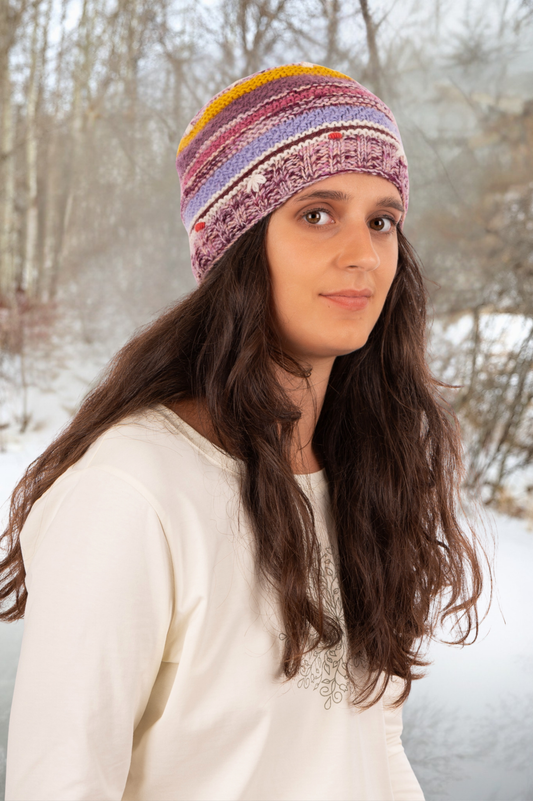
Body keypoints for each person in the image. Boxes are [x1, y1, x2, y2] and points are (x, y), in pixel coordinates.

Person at [1, 62, 486, 801]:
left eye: (381, 219)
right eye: (316, 213)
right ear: (234, 242)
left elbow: (369, 746)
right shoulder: (132, 488)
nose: (361, 253)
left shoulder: (361, 471)